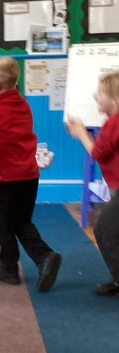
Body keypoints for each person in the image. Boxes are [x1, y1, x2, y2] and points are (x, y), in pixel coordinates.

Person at [0, 56, 61, 292]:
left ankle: (11, 268)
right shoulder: (22, 104)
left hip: (9, 179)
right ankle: (43, 257)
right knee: (21, 221)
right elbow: (1, 125)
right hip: (30, 176)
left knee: (4, 226)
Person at [67, 72, 119, 296]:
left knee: (105, 232)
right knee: (105, 231)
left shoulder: (115, 122)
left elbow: (98, 153)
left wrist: (81, 132)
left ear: (114, 98)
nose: (95, 96)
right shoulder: (112, 123)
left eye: (100, 92)